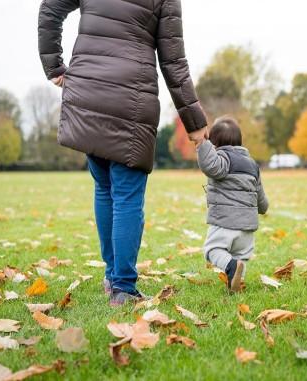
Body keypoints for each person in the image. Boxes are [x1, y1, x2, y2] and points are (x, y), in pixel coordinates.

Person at [38, 0, 208, 306]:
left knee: (105, 188)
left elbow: (50, 9)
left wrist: (54, 66)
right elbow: (174, 62)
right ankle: (123, 287)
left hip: (87, 93)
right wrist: (195, 122)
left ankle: (113, 276)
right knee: (126, 195)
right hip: (131, 99)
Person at [196, 116, 268, 293]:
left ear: (215, 143)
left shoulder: (222, 159)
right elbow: (260, 195)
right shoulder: (252, 165)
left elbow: (210, 166)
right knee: (241, 257)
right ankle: (236, 284)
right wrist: (264, 207)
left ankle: (231, 267)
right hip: (248, 228)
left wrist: (202, 143)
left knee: (212, 250)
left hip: (225, 222)